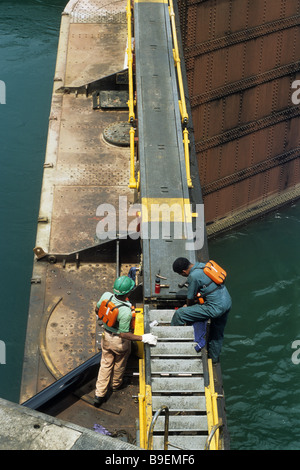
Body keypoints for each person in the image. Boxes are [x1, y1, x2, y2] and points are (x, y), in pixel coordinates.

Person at [94, 275, 157, 407]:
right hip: (119, 342)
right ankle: (116, 384)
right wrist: (143, 338)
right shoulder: (125, 311)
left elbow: (97, 310)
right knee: (119, 363)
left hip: (106, 336)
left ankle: (99, 394)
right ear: (128, 292)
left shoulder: (106, 295)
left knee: (105, 364)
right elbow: (124, 334)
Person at [172, 257, 232, 363]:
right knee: (217, 334)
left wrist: (188, 308)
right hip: (226, 302)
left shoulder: (193, 276)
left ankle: (173, 343)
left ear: (183, 271)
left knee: (180, 314)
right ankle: (214, 359)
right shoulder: (203, 265)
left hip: (215, 308)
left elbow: (190, 298)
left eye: (182, 274)